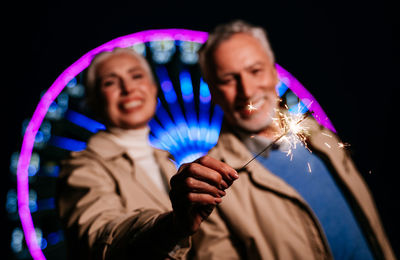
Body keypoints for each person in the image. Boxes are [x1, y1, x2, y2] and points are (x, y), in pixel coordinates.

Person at [192, 20, 396, 260]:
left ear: (274, 72)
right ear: (212, 92)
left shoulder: (321, 138)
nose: (246, 91)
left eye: (255, 70)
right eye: (228, 80)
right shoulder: (213, 186)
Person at [56, 47, 239, 259]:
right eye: (110, 82)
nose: (128, 88)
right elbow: (101, 237)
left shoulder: (166, 162)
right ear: (94, 101)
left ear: (153, 89)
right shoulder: (81, 168)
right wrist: (172, 226)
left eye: (136, 76)